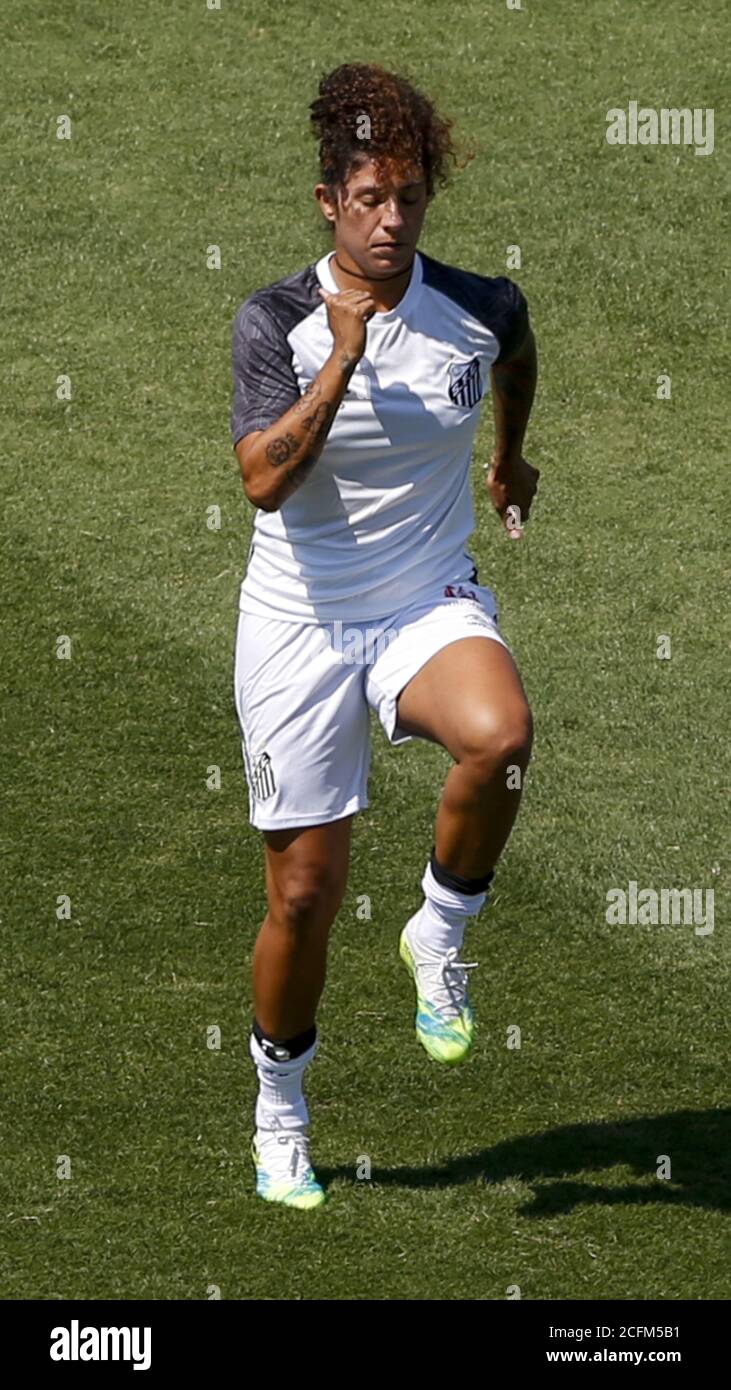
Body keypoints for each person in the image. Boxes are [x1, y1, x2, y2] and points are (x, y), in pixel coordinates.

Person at [230, 62, 539, 1209]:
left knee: (499, 735)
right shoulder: (276, 321)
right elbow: (262, 481)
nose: (390, 218)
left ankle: (438, 934)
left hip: (421, 598)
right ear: (328, 201)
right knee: (303, 896)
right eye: (367, 197)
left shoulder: (476, 304)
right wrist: (345, 358)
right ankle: (280, 1112)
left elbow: (513, 355)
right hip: (299, 622)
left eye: (406, 196)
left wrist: (509, 457)